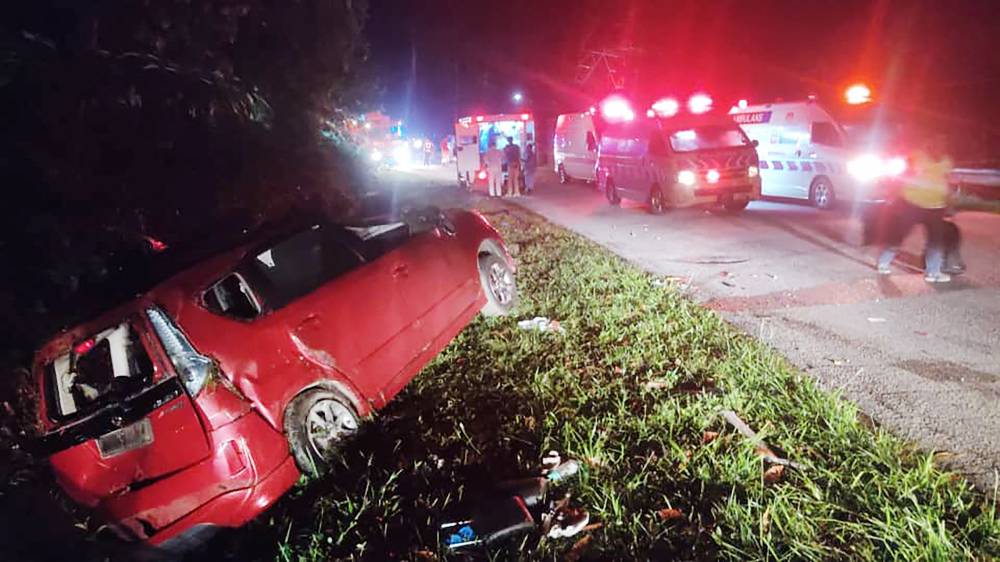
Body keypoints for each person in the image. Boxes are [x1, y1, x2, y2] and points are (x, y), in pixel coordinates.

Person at [876, 135, 955, 283]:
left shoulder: (946, 161)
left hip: (936, 207)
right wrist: (895, 196)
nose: (940, 148)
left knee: (936, 241)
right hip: (912, 204)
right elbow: (902, 176)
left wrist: (949, 205)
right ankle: (884, 262)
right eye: (936, 144)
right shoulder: (917, 157)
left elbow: (948, 182)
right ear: (929, 145)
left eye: (943, 145)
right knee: (900, 234)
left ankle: (933, 272)